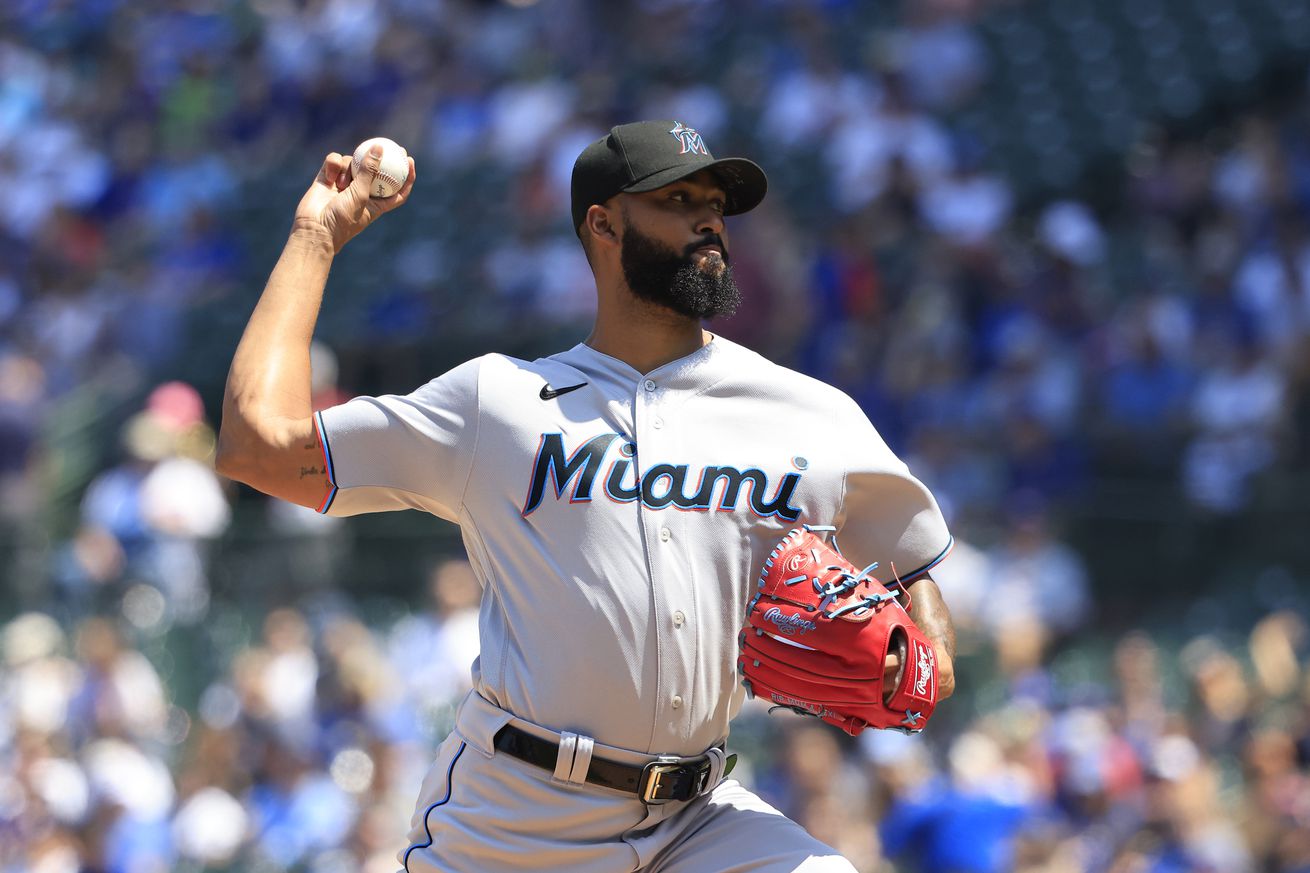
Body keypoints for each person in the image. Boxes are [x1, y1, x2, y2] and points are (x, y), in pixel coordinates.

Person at [217, 120, 958, 872]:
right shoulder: (499, 403)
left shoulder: (805, 412)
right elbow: (256, 445)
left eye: (715, 202)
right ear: (603, 224)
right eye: (676, 199)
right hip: (516, 819)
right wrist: (316, 236)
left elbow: (911, 564)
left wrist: (923, 649)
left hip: (696, 816)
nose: (709, 218)